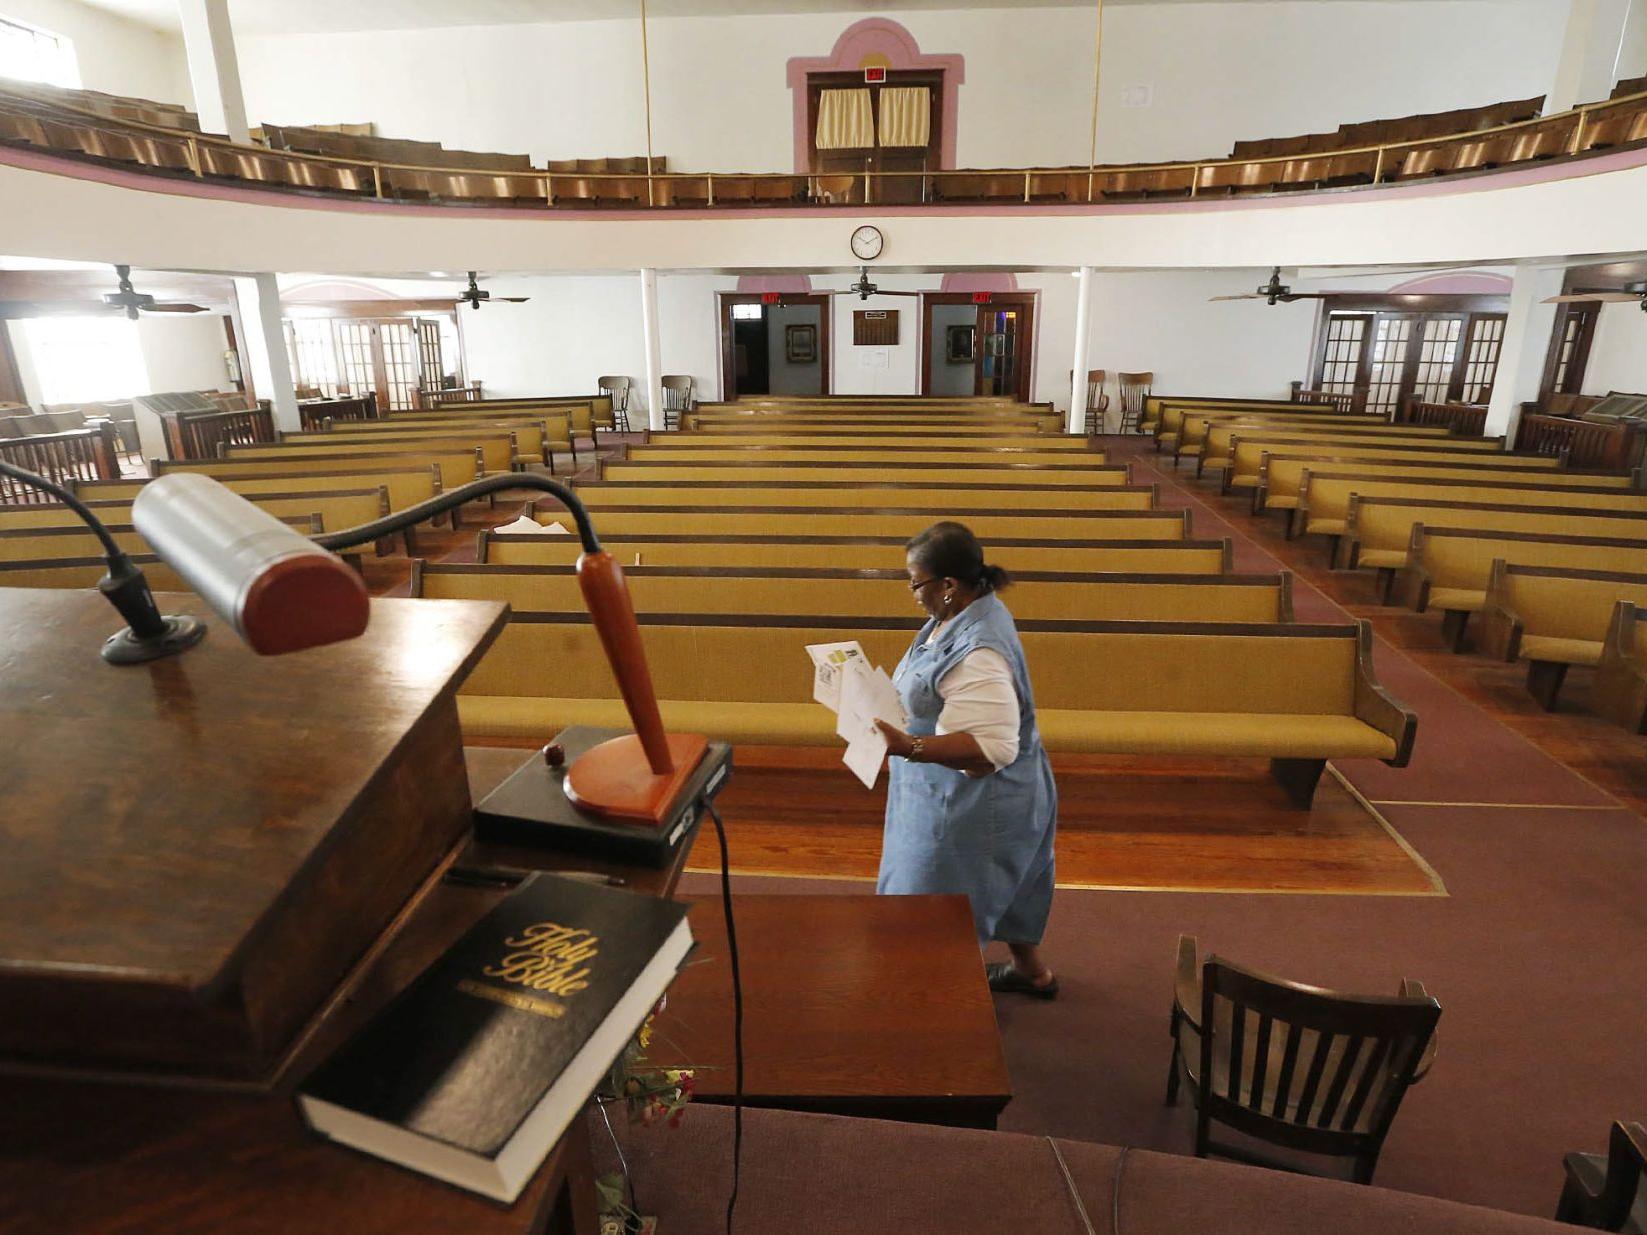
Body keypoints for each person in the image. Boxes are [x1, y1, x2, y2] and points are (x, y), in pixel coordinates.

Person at [873, 521, 1059, 998]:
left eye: (916, 583)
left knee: (940, 906)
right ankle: (1031, 973)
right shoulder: (965, 614)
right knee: (1012, 887)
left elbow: (989, 749)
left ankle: (942, 1012)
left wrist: (905, 746)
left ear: (949, 584)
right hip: (969, 793)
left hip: (975, 803)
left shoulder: (978, 650)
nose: (913, 594)